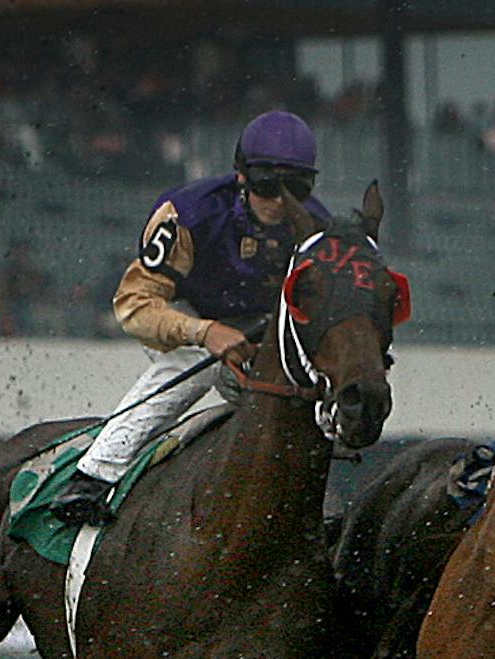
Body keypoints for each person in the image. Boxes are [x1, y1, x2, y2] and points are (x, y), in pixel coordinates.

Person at [50, 110, 330, 525]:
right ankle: (93, 474)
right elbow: (133, 305)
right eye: (267, 185)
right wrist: (205, 332)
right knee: (197, 361)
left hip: (261, 331)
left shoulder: (318, 229)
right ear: (241, 176)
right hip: (186, 315)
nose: (278, 201)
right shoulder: (188, 214)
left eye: (296, 188)